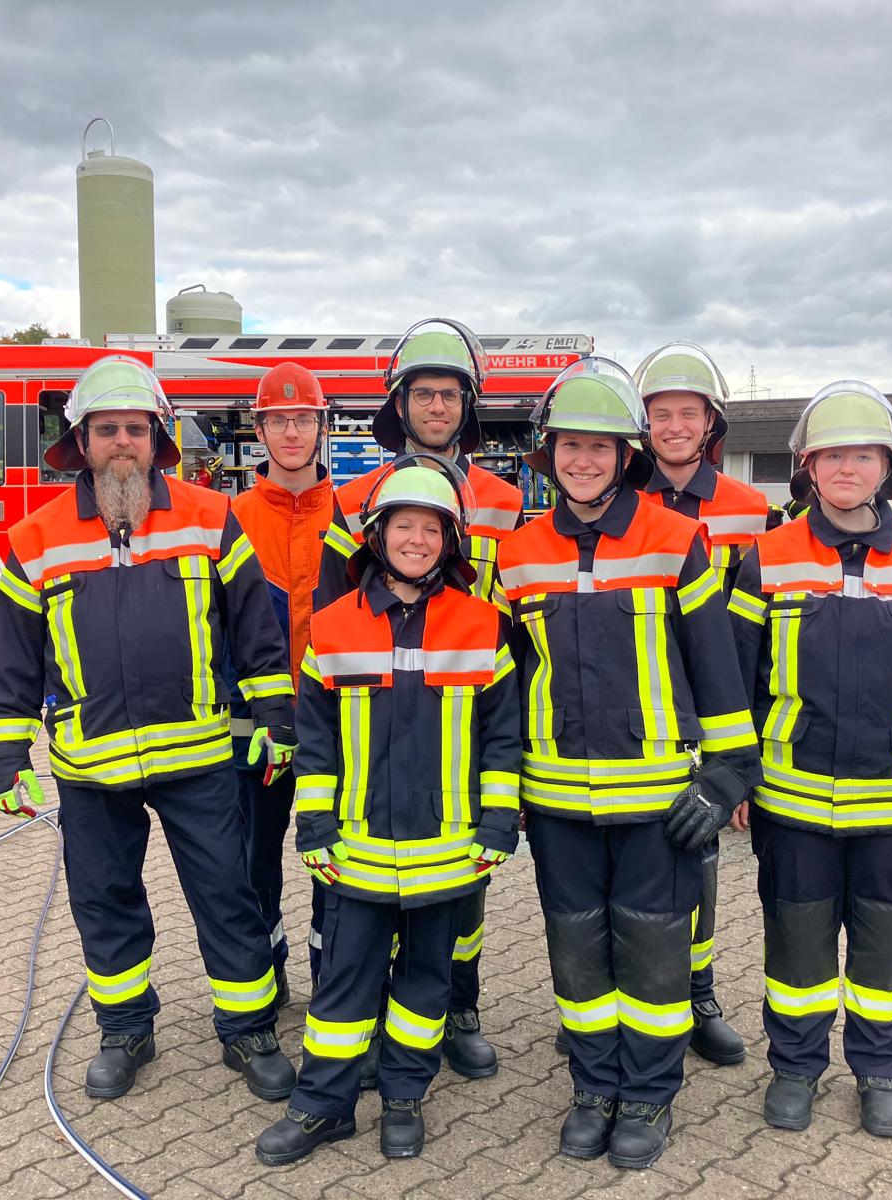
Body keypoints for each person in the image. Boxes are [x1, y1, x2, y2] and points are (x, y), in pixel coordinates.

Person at [0, 356, 298, 1103]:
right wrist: (6, 756)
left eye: (134, 428)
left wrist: (277, 721)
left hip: (199, 759)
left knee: (227, 893)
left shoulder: (209, 517)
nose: (121, 441)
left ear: (157, 438)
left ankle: (248, 1031)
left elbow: (256, 632)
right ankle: (125, 1028)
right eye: (106, 429)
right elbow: (15, 661)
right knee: (105, 898)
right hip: (90, 770)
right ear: (81, 441)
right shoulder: (34, 539)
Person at [496, 357, 760, 1169]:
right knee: (576, 951)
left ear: (626, 456)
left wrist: (723, 780)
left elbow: (715, 669)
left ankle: (647, 1093)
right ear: (550, 455)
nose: (584, 461)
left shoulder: (676, 540)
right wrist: (502, 796)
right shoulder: (519, 552)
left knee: (651, 951)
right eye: (570, 447)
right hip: (557, 803)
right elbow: (503, 687)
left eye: (601, 448)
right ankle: (594, 1086)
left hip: (657, 804)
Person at [726, 380, 892, 1138]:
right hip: (792, 804)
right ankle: (796, 1070)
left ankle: (880, 1073)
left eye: (863, 455)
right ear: (806, 468)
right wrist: (737, 774)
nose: (846, 468)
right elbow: (738, 684)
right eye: (831, 455)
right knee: (797, 950)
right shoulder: (767, 558)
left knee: (885, 956)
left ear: (888, 467)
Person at [256, 456, 521, 1165]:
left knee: (425, 985)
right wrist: (314, 828)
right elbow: (315, 744)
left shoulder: (482, 625)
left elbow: (501, 737)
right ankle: (323, 1107)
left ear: (451, 543)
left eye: (431, 529)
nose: (416, 540)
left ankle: (405, 1097)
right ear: (377, 536)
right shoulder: (335, 626)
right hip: (357, 852)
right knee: (343, 984)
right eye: (403, 525)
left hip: (449, 852)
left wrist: (498, 823)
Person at [314, 318, 522, 1081]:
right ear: (398, 404)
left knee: (460, 890)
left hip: (464, 709)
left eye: (450, 395)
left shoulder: (502, 499)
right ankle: (359, 1022)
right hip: (375, 714)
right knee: (355, 888)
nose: (437, 407)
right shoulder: (354, 498)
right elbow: (335, 613)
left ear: (469, 406)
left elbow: (517, 612)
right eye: (424, 393)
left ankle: (456, 1010)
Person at [633, 340, 782, 1069]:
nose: (673, 425)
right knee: (624, 864)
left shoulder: (751, 511)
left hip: (713, 716)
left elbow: (768, 641)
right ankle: (617, 1000)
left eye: (686, 413)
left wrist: (742, 761)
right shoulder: (614, 500)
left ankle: (697, 997)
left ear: (709, 423)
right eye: (660, 414)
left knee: (699, 864)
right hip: (636, 713)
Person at [227, 362, 336, 1008]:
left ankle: (336, 986)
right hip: (254, 729)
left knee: (337, 862)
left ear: (321, 427)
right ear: (260, 428)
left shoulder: (356, 515)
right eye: (279, 419)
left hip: (333, 728)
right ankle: (263, 979)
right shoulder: (230, 518)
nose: (292, 431)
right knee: (250, 864)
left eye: (304, 419)